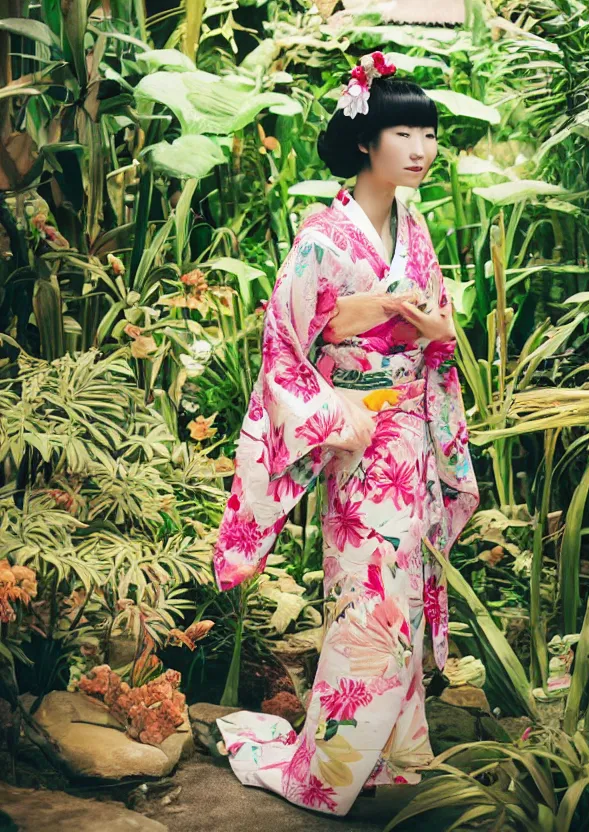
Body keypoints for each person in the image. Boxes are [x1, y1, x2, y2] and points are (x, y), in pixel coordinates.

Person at [211, 51, 479, 817]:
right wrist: (365, 327)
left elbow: (434, 324)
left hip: (412, 439)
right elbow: (287, 342)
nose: (422, 147)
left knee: (397, 594)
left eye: (428, 132)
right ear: (366, 140)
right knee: (373, 601)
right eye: (404, 131)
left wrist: (429, 327)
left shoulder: (412, 223)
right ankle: (327, 773)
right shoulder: (324, 235)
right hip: (359, 439)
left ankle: (391, 759)